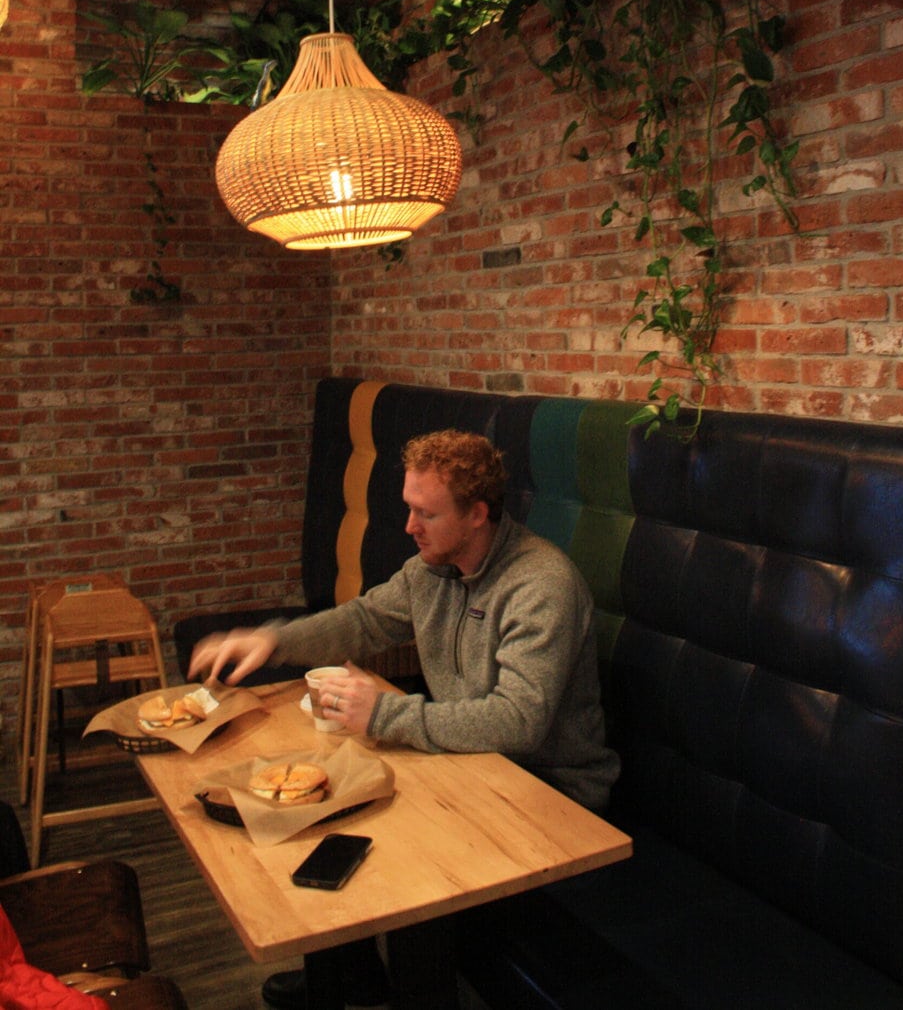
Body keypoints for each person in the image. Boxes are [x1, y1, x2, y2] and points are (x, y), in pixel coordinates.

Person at [189, 429, 620, 1010]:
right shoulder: (430, 570)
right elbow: (364, 621)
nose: (410, 527)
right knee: (330, 806)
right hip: (474, 769)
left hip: (551, 788)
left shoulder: (541, 583)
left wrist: (386, 712)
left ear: (477, 515)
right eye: (408, 508)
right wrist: (271, 641)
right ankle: (349, 975)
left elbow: (519, 721)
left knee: (408, 864)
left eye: (425, 513)